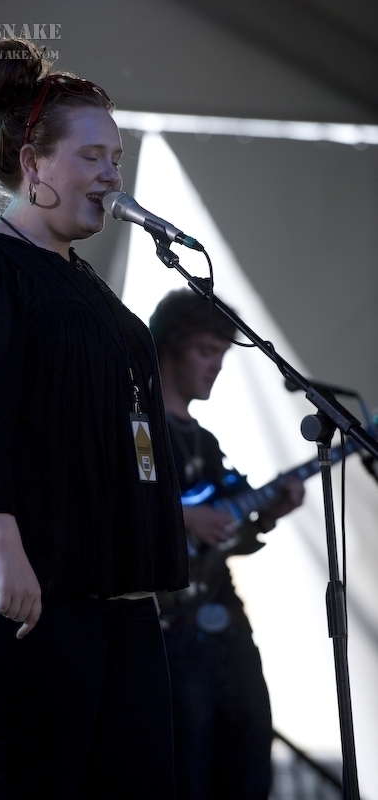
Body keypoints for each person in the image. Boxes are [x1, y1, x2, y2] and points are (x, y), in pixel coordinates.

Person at [0, 38, 189, 800]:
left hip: (109, 598)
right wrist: (4, 545)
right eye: (92, 156)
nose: (111, 174)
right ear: (33, 164)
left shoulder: (87, 287)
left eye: (116, 158)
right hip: (24, 599)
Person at [149, 288, 305, 800]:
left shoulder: (206, 441)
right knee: (190, 773)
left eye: (222, 352)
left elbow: (225, 536)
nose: (217, 365)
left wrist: (269, 513)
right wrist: (185, 515)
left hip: (225, 623)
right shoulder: (137, 430)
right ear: (169, 348)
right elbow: (113, 507)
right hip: (171, 632)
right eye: (206, 350)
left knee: (250, 762)